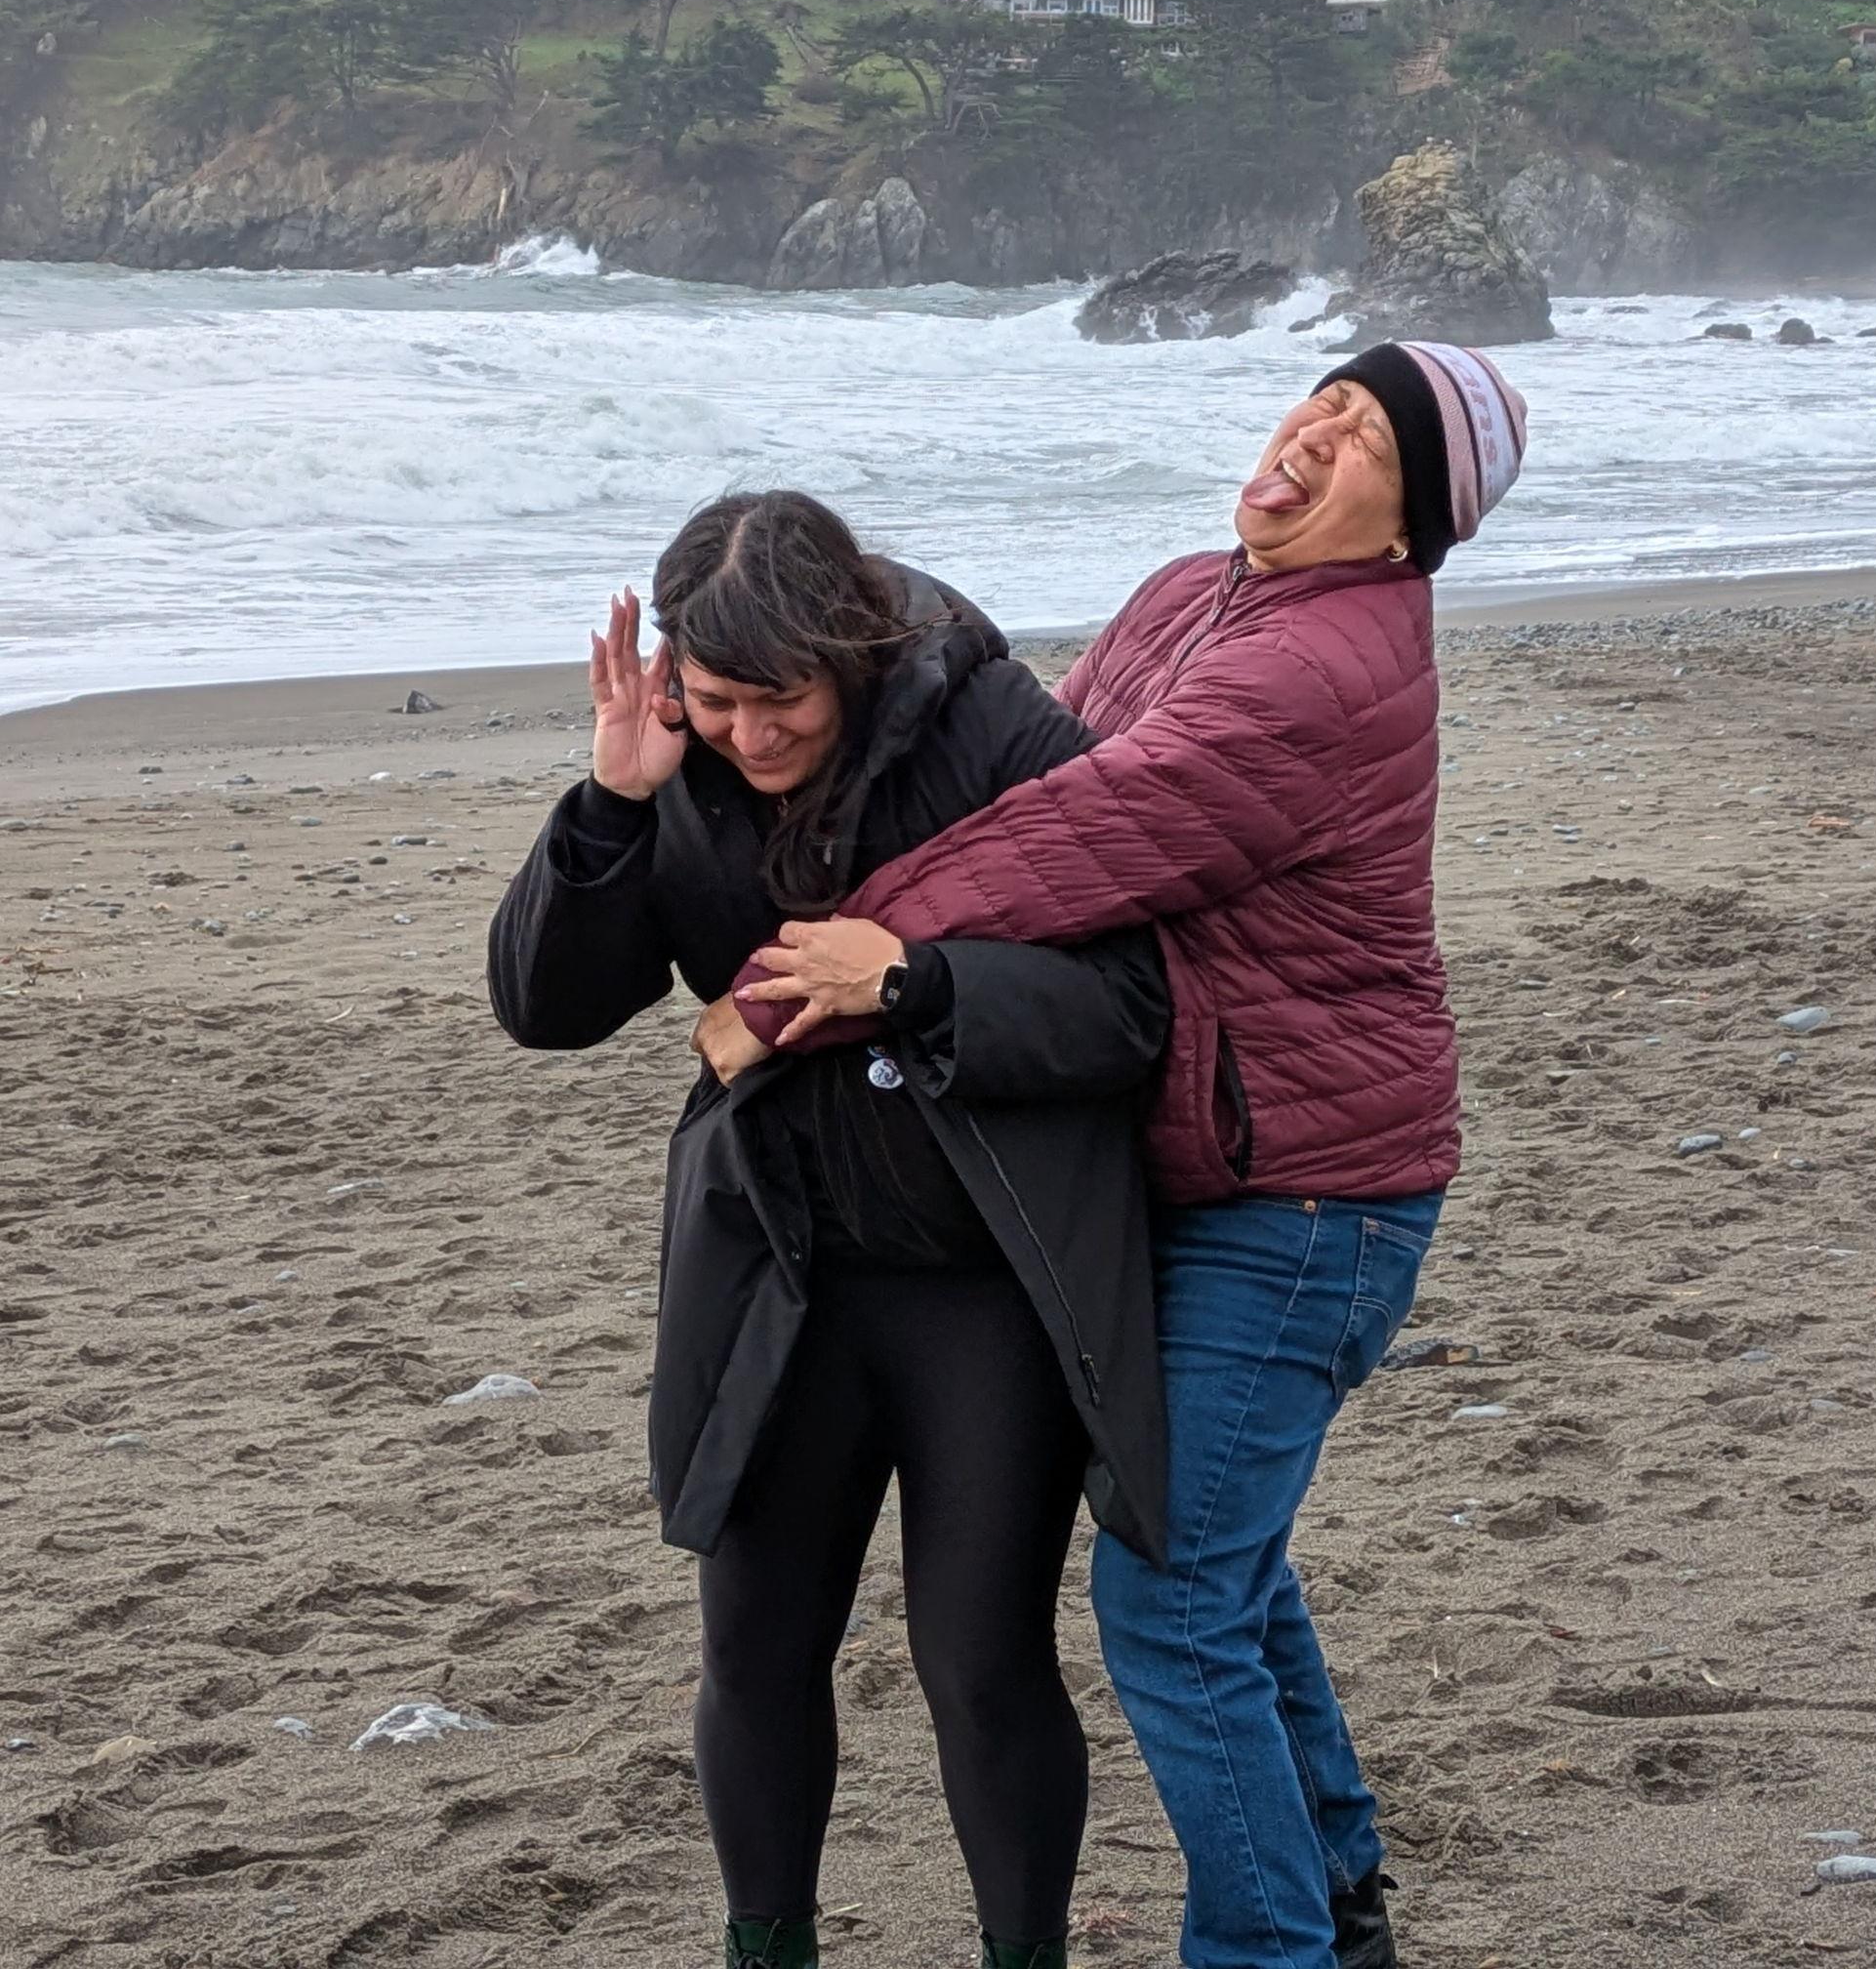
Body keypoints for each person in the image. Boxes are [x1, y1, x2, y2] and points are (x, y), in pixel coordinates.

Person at [729, 344, 1529, 1969]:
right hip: (1232, 1164)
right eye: (1320, 400)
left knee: (1173, 1599)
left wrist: (802, 977)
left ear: (1413, 523)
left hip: (1309, 1197)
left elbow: (1083, 836)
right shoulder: (1194, 590)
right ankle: (1338, 1887)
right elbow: (1029, 759)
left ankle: (1270, 1945)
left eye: (1364, 436)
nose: (1310, 435)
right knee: (1223, 1561)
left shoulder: (1320, 671)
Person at [486, 492, 1173, 1969]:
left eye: (777, 700)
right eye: (714, 700)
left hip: (982, 1282)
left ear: (851, 654)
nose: (749, 734)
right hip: (778, 1271)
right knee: (754, 1648)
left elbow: (1135, 1009)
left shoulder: (997, 734)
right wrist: (611, 803)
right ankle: (768, 1951)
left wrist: (918, 982)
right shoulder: (675, 763)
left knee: (980, 1664)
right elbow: (544, 1009)